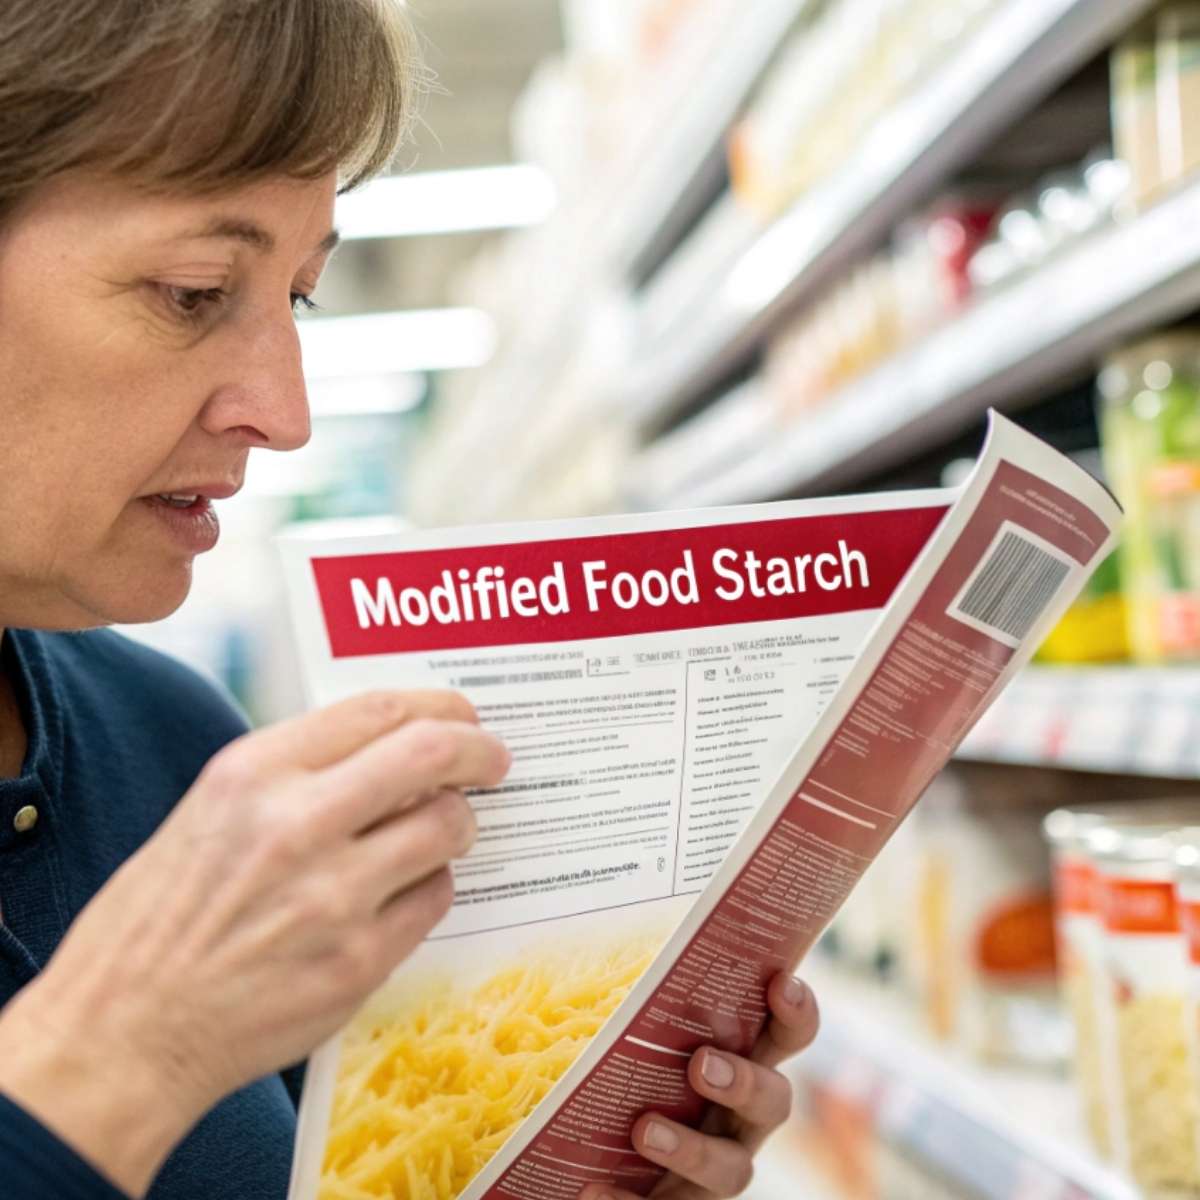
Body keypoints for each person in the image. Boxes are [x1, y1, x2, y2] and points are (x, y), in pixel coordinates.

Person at [0, 2, 821, 1199]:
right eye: (192, 291)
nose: (286, 413)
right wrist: (122, 1056)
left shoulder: (170, 749)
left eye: (300, 296)